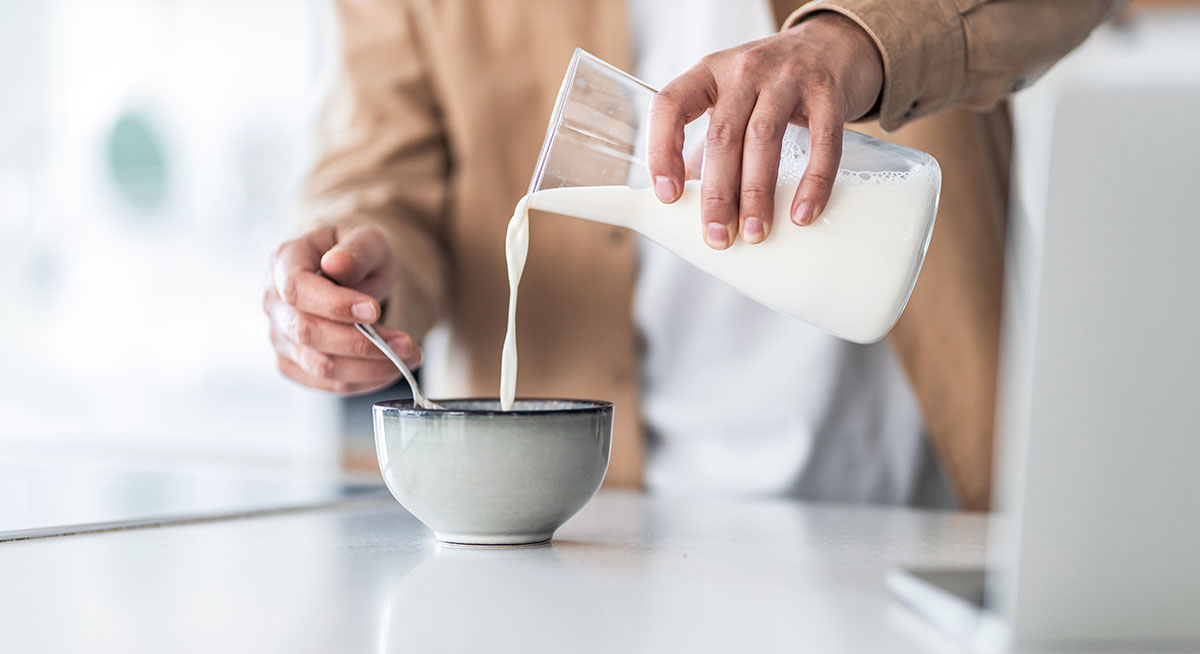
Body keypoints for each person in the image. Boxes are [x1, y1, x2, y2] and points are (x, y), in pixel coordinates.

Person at [264, 0, 1120, 510]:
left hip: (910, 504)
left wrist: (855, 40)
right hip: (600, 538)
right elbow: (381, 174)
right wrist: (356, 272)